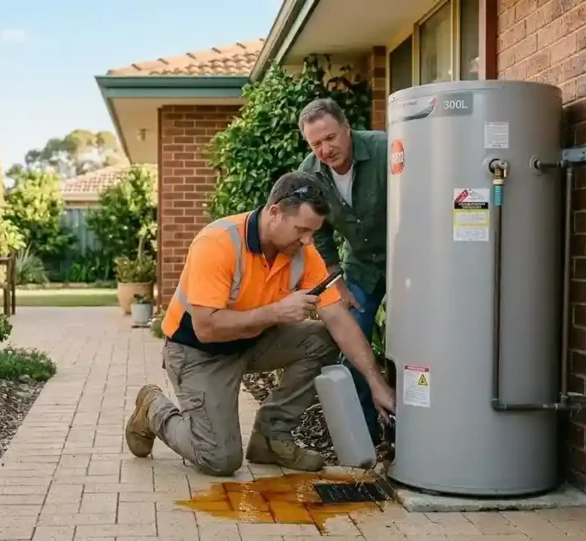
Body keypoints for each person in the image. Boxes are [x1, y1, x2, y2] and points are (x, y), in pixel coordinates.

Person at [124, 172, 396, 477]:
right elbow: (206, 328)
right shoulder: (218, 243)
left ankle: (272, 437)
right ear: (275, 212)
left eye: (313, 232)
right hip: (198, 352)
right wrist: (276, 313)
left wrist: (376, 383)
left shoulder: (302, 254)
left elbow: (339, 320)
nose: (308, 240)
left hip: (251, 342)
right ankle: (153, 409)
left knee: (323, 337)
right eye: (302, 230)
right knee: (219, 460)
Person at [295, 97, 391, 446]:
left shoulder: (385, 150)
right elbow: (315, 231)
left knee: (417, 345)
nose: (325, 149)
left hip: (407, 261)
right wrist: (335, 277)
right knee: (351, 342)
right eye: (316, 143)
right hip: (360, 267)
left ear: (348, 128)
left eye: (331, 137)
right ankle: (368, 438)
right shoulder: (310, 173)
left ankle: (416, 431)